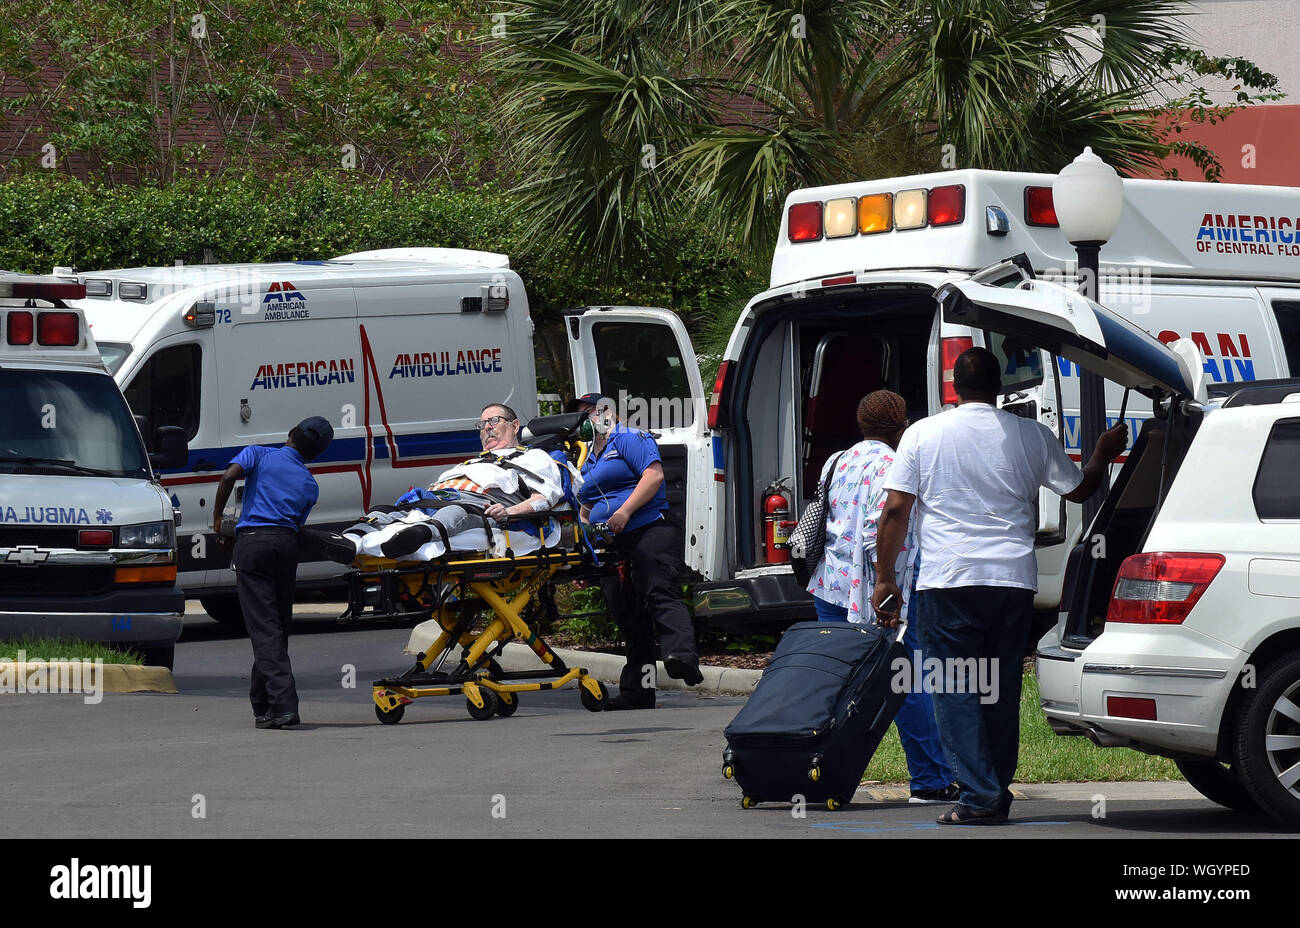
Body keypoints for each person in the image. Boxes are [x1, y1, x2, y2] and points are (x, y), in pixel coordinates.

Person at [871, 348, 1127, 824]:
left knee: (955, 687)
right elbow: (1080, 489)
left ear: (953, 385)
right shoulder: (1031, 434)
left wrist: (885, 577)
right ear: (1001, 386)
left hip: (948, 581)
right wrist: (1101, 454)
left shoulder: (922, 435)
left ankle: (979, 795)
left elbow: (895, 511)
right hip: (1011, 581)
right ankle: (993, 787)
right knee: (998, 686)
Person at [806, 390, 957, 803]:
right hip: (876, 591)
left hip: (830, 587)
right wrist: (885, 586)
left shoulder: (838, 460)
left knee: (834, 688)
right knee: (907, 681)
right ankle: (930, 781)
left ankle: (816, 775)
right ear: (901, 426)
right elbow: (883, 528)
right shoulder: (895, 465)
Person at [578, 396, 701, 709]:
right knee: (629, 615)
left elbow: (654, 475)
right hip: (613, 540)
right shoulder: (589, 457)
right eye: (582, 415)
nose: (588, 419)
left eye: (592, 412)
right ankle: (639, 691)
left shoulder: (628, 437)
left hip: (649, 528)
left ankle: (681, 657)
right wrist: (587, 547)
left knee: (659, 589)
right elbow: (585, 505)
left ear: (610, 414)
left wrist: (625, 511)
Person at [212, 415, 334, 730]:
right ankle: (263, 705)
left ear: (290, 432)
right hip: (286, 547)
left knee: (264, 629)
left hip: (253, 545)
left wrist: (217, 520)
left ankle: (285, 705)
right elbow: (296, 523)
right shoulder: (310, 484)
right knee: (275, 628)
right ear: (316, 454)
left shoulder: (259, 454)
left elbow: (228, 477)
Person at [362, 402, 567, 558]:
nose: (487, 427)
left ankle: (420, 535)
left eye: (494, 421)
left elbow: (542, 498)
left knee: (457, 512)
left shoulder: (534, 458)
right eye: (482, 424)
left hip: (477, 507)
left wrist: (508, 512)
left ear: (514, 426)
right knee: (384, 511)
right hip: (436, 500)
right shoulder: (471, 463)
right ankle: (353, 539)